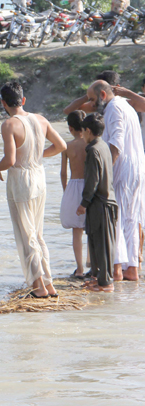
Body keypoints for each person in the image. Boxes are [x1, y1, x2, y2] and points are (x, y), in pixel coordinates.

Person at [0, 82, 66, 298]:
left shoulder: (9, 125)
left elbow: (10, 160)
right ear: (23, 100)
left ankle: (39, 287)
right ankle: (49, 283)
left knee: (26, 236)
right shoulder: (41, 119)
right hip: (39, 177)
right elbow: (62, 146)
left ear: (4, 103)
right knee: (38, 233)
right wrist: (38, 156)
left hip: (21, 180)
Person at [80, 80, 145, 281]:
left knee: (114, 219)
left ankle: (116, 270)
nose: (91, 104)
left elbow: (115, 143)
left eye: (92, 99)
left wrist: (103, 174)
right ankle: (132, 268)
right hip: (135, 168)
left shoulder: (115, 108)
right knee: (130, 219)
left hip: (122, 169)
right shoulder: (126, 105)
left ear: (103, 95)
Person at [74, 113, 118, 291]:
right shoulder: (103, 145)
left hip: (101, 203)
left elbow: (92, 180)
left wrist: (83, 203)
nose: (82, 135)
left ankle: (106, 283)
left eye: (83, 131)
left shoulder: (93, 150)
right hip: (106, 201)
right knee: (97, 241)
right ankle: (100, 279)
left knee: (102, 243)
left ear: (88, 131)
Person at [60, 110, 88, 277]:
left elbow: (63, 173)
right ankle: (92, 264)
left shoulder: (67, 146)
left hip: (73, 185)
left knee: (76, 231)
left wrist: (66, 192)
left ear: (70, 128)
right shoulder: (90, 144)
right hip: (89, 186)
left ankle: (79, 268)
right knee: (91, 229)